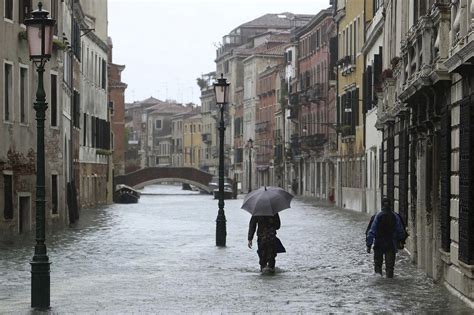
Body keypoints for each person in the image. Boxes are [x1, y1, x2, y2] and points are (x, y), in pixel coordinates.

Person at [366, 197, 405, 278]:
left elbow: (371, 232)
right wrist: (401, 241)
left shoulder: (377, 216)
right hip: (391, 244)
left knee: (377, 266)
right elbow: (400, 231)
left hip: (379, 244)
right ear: (391, 205)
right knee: (390, 268)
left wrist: (369, 245)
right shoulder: (396, 216)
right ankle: (389, 285)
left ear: (382, 206)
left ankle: (379, 282)